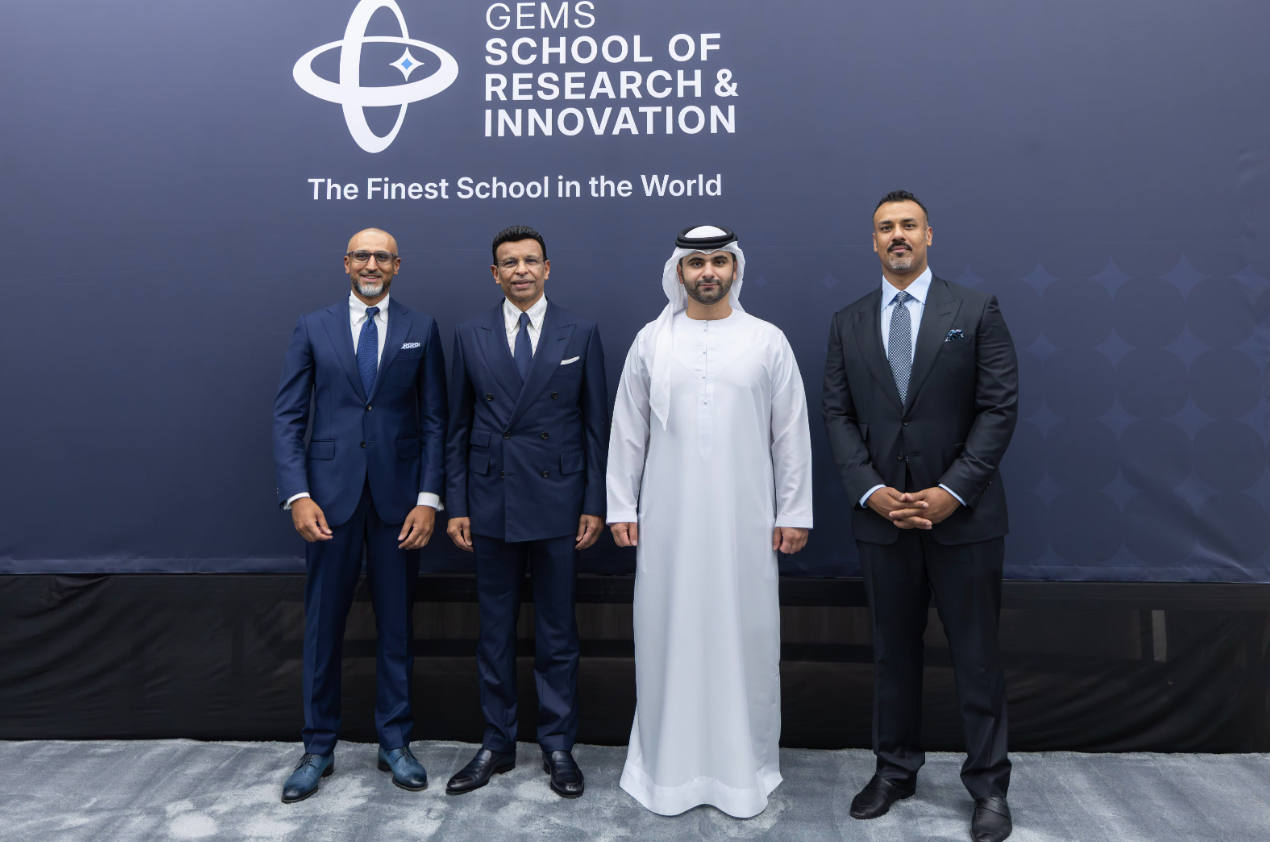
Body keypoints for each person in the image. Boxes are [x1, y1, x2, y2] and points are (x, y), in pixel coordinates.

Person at [822, 191, 1019, 842]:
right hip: (883, 521)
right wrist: (871, 491)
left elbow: (998, 408)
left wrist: (952, 490)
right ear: (873, 241)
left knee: (977, 657)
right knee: (892, 655)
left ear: (929, 234)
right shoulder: (847, 322)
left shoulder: (976, 310)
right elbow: (837, 414)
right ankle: (894, 772)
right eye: (886, 228)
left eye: (909, 225)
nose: (898, 235)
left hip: (964, 519)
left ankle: (989, 787)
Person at [606, 225, 814, 818]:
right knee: (665, 631)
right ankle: (663, 770)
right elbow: (628, 429)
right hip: (666, 521)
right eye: (696, 263)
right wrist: (620, 504)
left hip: (745, 522)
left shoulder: (767, 340)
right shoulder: (651, 341)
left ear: (735, 269)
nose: (708, 272)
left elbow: (790, 433)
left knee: (745, 634)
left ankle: (743, 770)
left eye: (719, 261)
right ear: (679, 271)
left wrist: (794, 510)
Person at [272, 228, 447, 803]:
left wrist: (428, 499)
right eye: (362, 255)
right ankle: (317, 748)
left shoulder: (422, 328)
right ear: (346, 263)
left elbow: (435, 420)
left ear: (398, 265)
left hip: (400, 502)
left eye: (382, 257)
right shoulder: (312, 326)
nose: (372, 264)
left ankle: (394, 742)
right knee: (323, 627)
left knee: (397, 625)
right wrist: (298, 495)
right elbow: (288, 417)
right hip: (327, 501)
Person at [443, 225, 608, 798]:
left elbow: (596, 427)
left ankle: (558, 744)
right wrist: (457, 504)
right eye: (509, 263)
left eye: (530, 261)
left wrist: (594, 502)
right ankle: (497, 742)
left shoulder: (580, 331)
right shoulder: (469, 333)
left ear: (547, 268)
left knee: (557, 631)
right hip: (491, 500)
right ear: (495, 274)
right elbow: (458, 427)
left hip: (560, 501)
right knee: (494, 631)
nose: (520, 270)